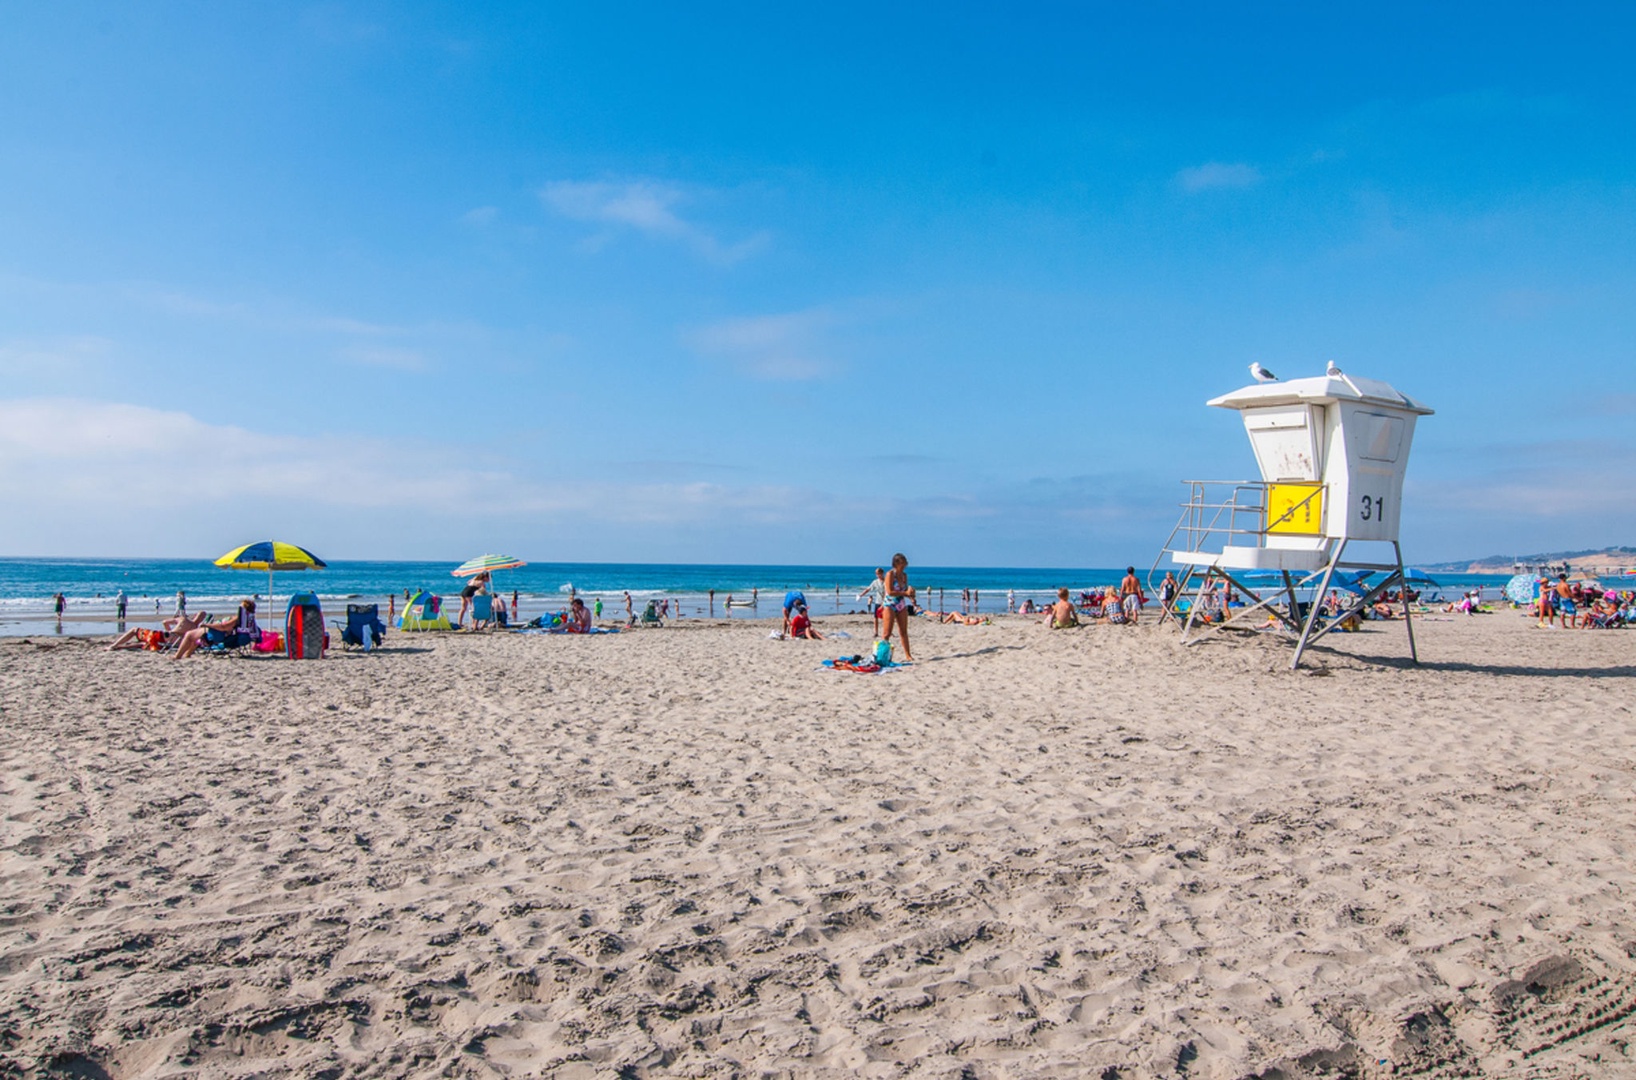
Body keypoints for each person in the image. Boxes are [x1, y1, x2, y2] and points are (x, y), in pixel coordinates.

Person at [174, 600, 259, 659]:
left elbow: (224, 627)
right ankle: (187, 654)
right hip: (232, 637)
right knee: (197, 637)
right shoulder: (249, 619)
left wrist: (207, 625)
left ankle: (177, 656)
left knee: (189, 634)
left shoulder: (238, 619)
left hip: (219, 635)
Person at [109, 611, 206, 652]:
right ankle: (121, 647)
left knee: (134, 630)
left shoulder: (183, 619)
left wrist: (170, 631)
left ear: (194, 615)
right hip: (167, 644)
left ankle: (114, 645)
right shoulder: (197, 630)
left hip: (162, 637)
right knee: (144, 643)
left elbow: (164, 622)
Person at [882, 554, 914, 661]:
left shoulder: (904, 576)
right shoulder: (890, 574)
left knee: (903, 631)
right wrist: (905, 593)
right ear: (897, 563)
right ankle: (882, 655)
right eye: (903, 562)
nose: (905, 564)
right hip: (890, 604)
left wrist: (911, 596)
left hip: (901, 604)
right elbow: (890, 591)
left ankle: (908, 655)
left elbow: (905, 591)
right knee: (887, 633)